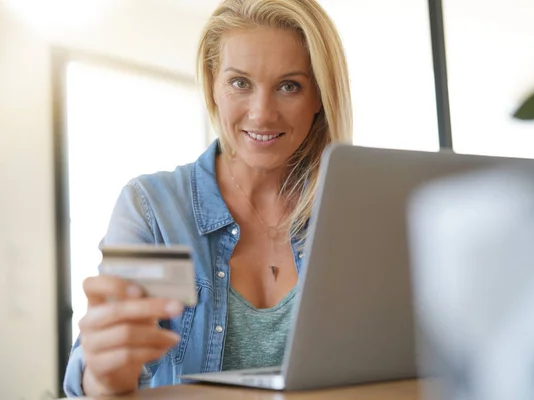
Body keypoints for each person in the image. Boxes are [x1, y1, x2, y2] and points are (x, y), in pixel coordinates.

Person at [63, 0, 353, 396]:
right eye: (240, 83)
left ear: (319, 95)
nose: (262, 114)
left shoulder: (350, 215)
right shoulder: (158, 211)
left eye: (289, 86)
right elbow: (108, 371)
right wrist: (105, 374)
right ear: (213, 83)